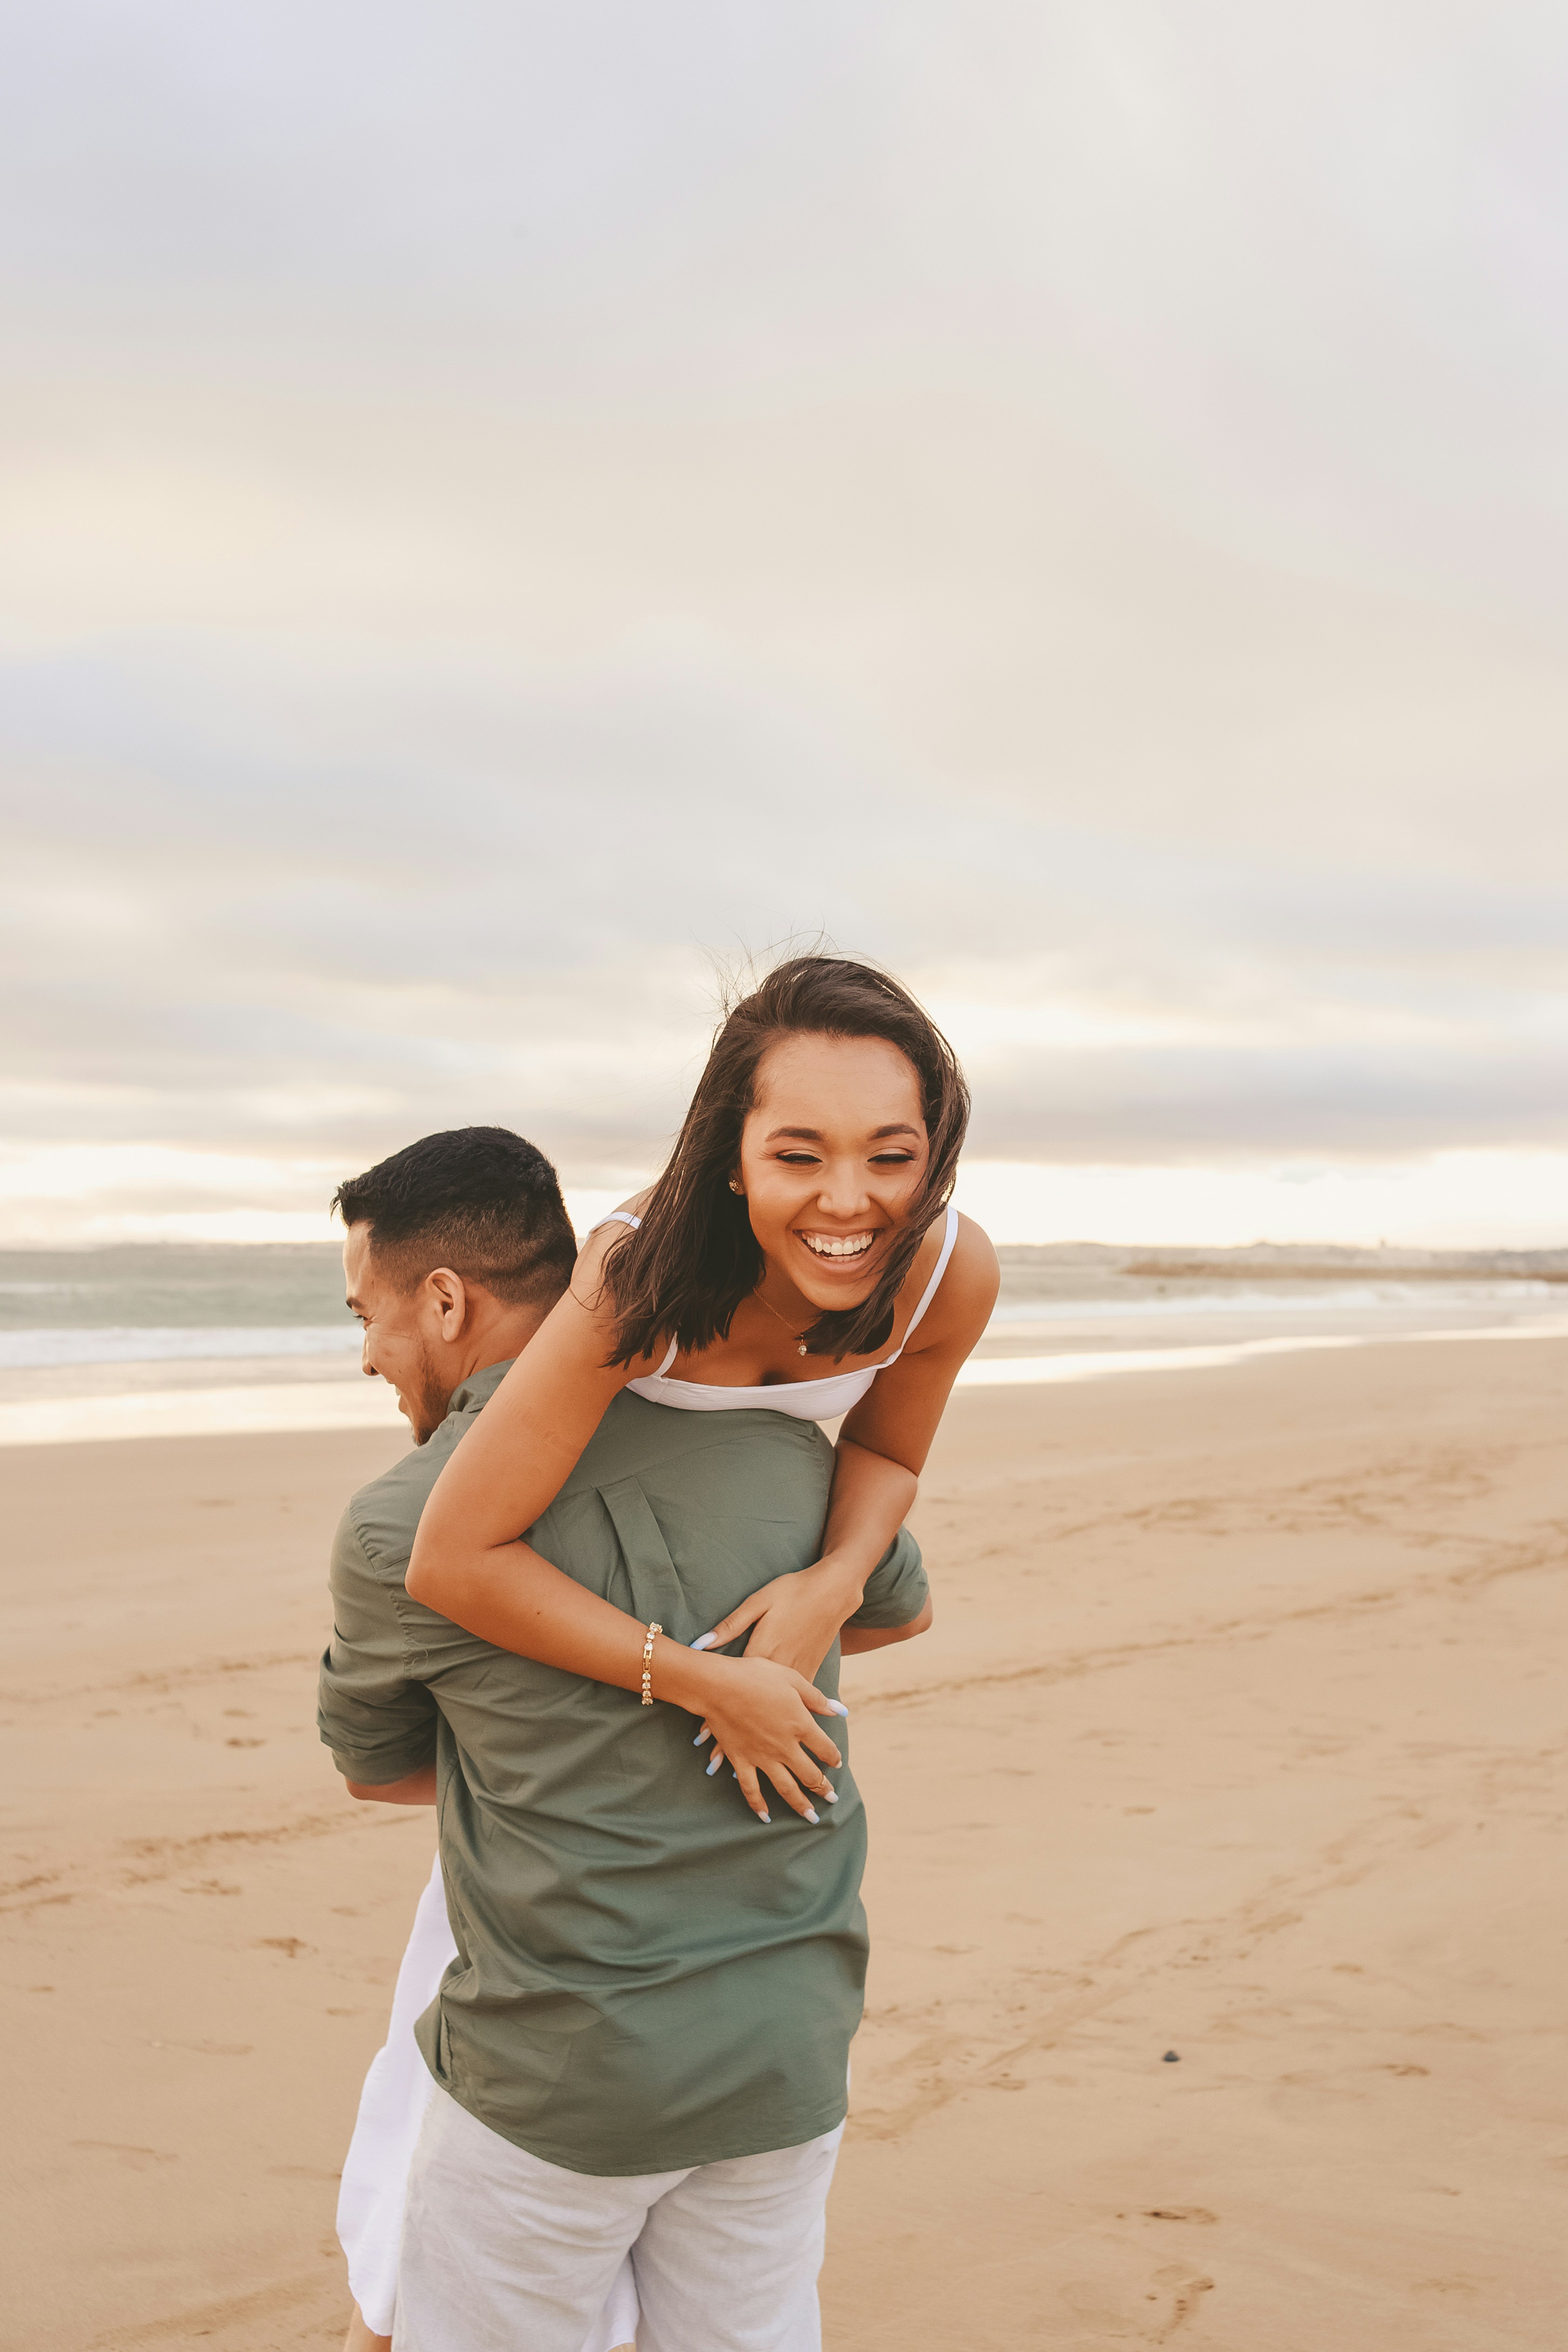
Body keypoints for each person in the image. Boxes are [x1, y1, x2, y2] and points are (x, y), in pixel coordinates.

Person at [382, 954, 999, 2347]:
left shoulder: (950, 1270)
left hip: (744, 1794)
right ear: (727, 1156)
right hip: (568, 1744)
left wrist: (832, 1584)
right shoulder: (631, 1281)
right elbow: (452, 1556)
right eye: (799, 1154)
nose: (849, 1202)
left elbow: (890, 1447)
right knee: (438, 2160)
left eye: (890, 1155)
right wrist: (702, 1675)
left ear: (935, 1153)